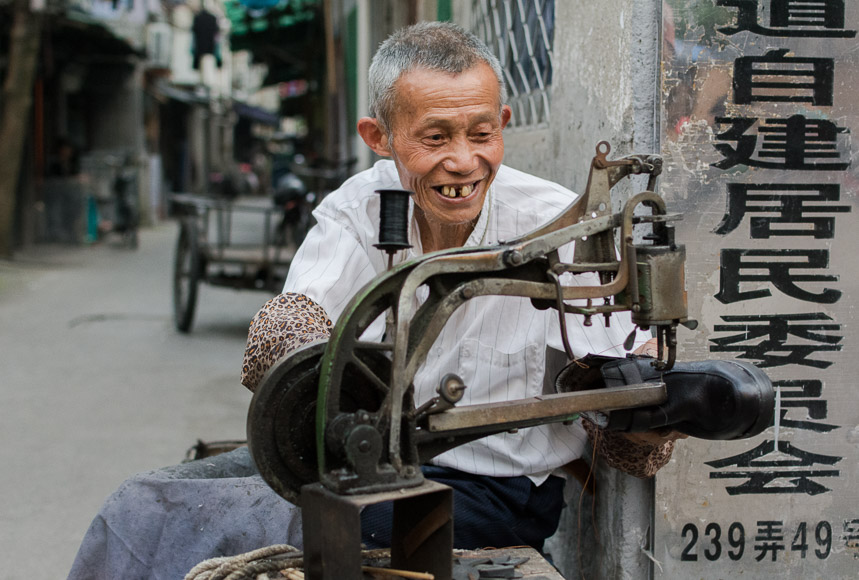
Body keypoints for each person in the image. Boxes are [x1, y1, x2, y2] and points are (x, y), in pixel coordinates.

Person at [68, 22, 681, 579]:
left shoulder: (555, 227)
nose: (463, 160)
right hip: (371, 465)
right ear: (379, 137)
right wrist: (301, 358)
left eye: (481, 133)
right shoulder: (362, 209)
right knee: (143, 500)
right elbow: (293, 326)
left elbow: (626, 419)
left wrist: (653, 405)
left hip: (493, 492)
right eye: (434, 137)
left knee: (215, 522)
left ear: (504, 121)